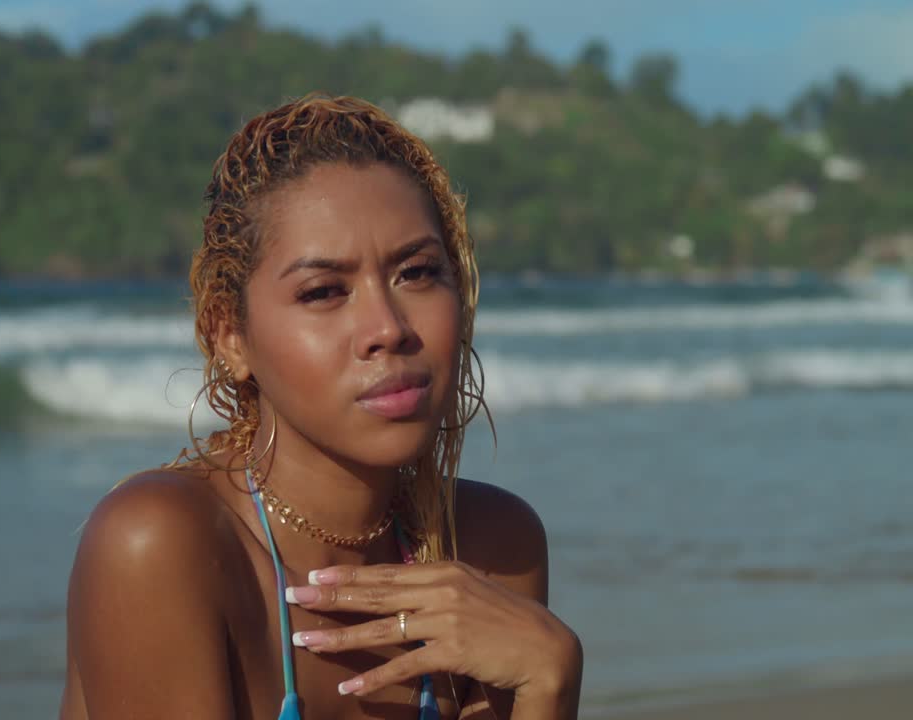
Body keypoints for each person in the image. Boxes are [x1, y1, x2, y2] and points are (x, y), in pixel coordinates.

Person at [59, 94, 582, 720]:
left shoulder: (493, 544)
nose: (387, 328)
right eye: (324, 291)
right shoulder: (161, 544)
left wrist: (550, 679)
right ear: (231, 336)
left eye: (416, 273)